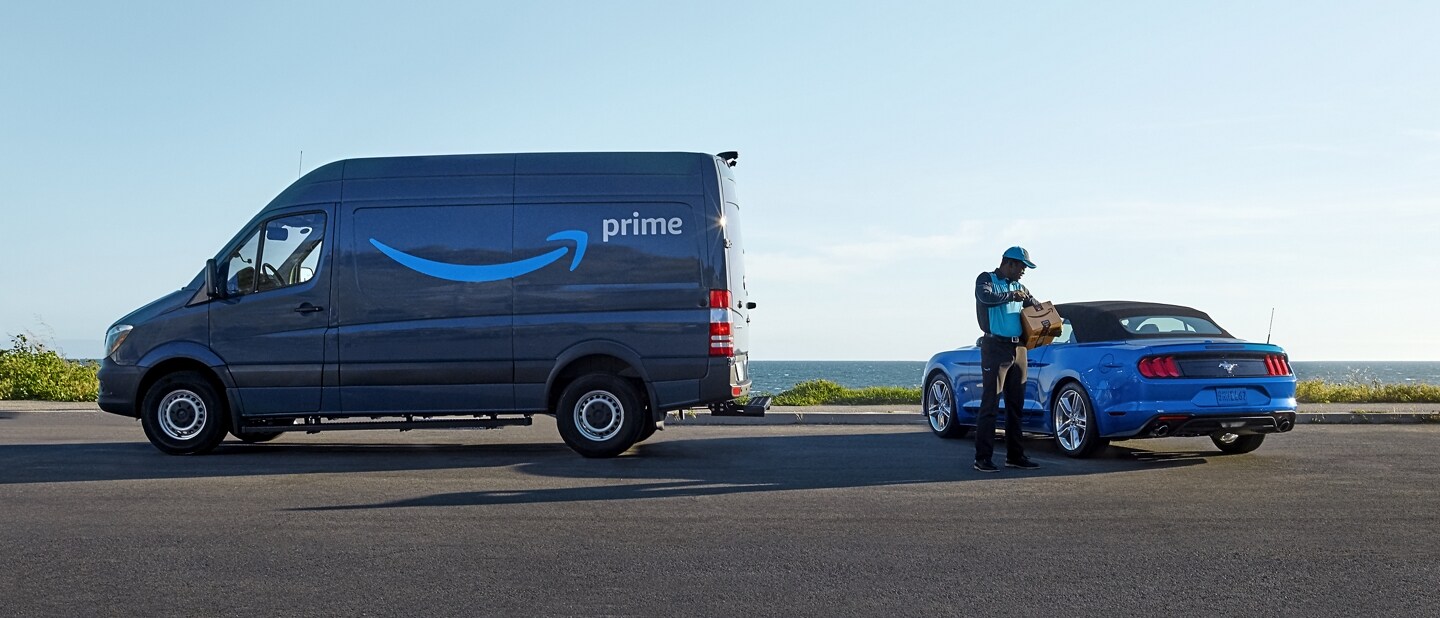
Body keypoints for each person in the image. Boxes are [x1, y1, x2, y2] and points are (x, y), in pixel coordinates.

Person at [972, 246, 1043, 472]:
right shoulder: (987, 279)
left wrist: (1051, 321)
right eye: (1022, 266)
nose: (1023, 271)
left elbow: (1036, 306)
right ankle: (982, 458)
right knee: (990, 404)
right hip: (995, 347)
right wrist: (1012, 296)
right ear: (1009, 263)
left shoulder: (1020, 287)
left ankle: (1015, 456)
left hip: (1019, 348)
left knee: (1015, 406)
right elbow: (985, 297)